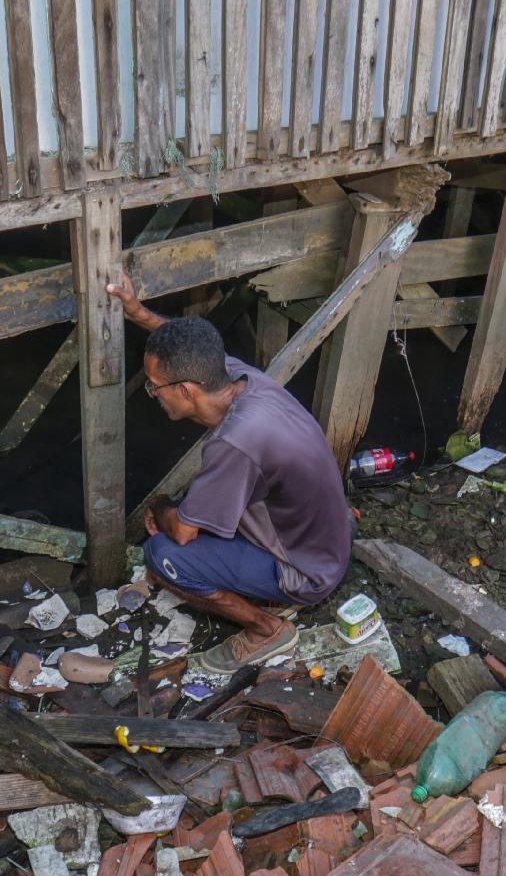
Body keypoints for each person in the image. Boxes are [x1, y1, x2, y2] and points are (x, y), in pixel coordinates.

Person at [107, 273, 352, 675]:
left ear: (186, 391)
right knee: (194, 510)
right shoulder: (242, 380)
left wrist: (161, 506)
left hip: (307, 571)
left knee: (163, 554)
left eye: (154, 388)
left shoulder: (235, 442)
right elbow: (187, 346)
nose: (153, 395)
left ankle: (267, 630)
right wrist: (137, 312)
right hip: (325, 536)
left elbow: (183, 533)